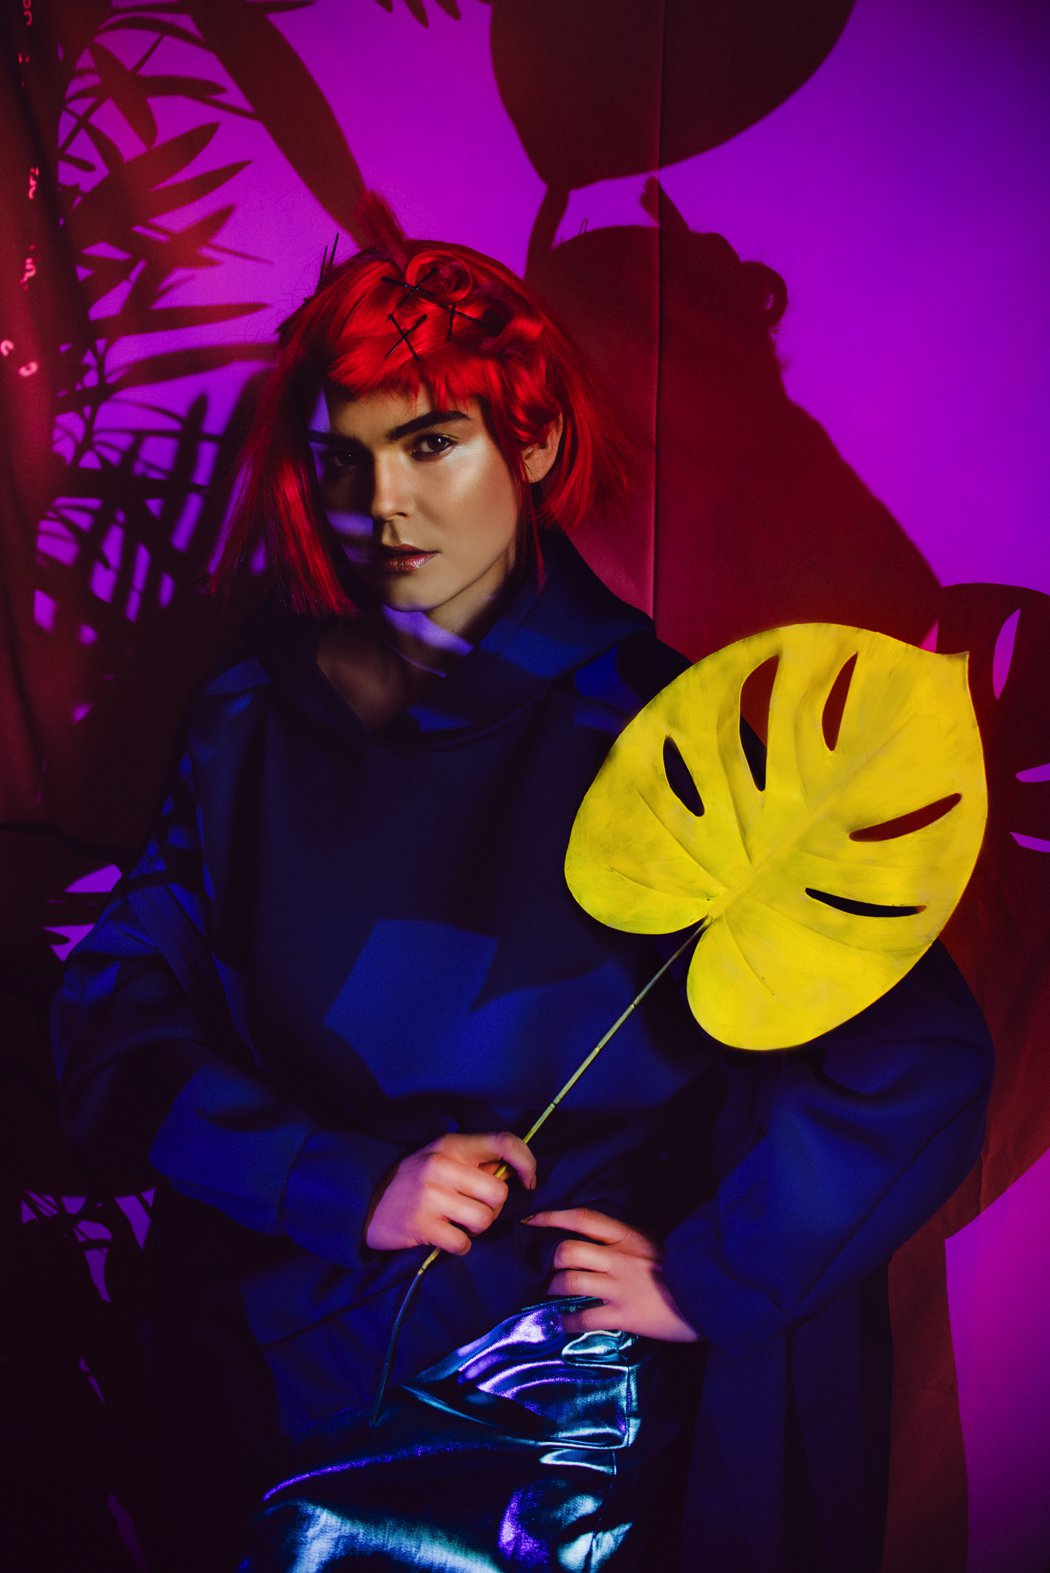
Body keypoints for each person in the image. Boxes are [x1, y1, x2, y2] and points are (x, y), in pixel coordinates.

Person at [52, 198, 992, 1573]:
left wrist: (711, 1274)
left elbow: (915, 1050)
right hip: (268, 1363)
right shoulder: (248, 716)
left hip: (541, 1430)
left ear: (534, 442)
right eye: (343, 456)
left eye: (432, 443)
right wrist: (334, 1180)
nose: (383, 503)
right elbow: (113, 1004)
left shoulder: (671, 738)